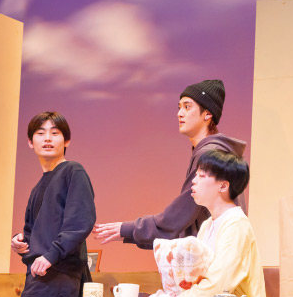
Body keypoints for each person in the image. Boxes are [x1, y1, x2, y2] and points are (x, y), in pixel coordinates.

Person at [126, 150, 266, 297]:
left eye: (201, 176)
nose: (194, 181)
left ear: (223, 186)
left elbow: (219, 284)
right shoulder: (208, 225)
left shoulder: (237, 224)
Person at [94, 79, 247, 248]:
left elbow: (176, 218)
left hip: (217, 256)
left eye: (187, 107)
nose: (180, 113)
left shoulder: (209, 154)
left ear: (208, 114)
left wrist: (128, 229)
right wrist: (132, 233)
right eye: (179, 107)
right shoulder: (215, 152)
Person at [2, 112, 96, 297]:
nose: (47, 138)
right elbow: (31, 232)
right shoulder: (38, 186)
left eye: (55, 133)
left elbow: (80, 221)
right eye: (40, 133)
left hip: (57, 276)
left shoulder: (73, 171)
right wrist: (21, 244)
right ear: (30, 142)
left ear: (67, 141)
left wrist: (50, 255)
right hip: (40, 277)